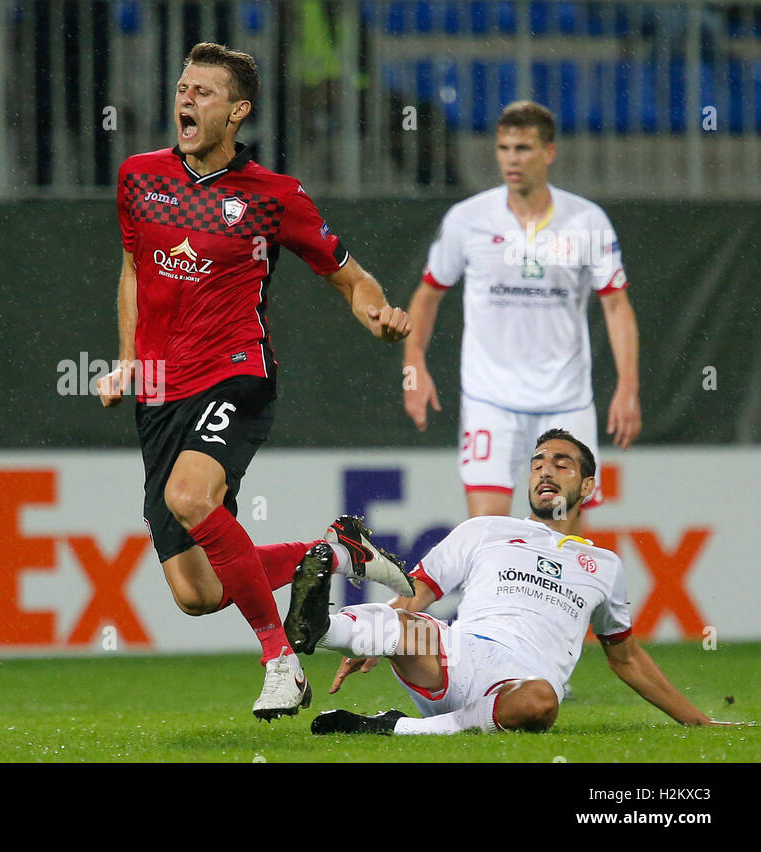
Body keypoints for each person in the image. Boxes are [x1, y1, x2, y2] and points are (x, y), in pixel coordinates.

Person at [99, 43, 414, 720]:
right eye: (183, 87)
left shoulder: (274, 198)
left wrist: (377, 316)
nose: (186, 100)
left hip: (235, 374)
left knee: (190, 495)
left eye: (204, 92)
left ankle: (281, 661)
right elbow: (133, 268)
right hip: (158, 392)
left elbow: (351, 278)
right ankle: (332, 553)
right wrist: (128, 359)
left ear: (238, 112)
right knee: (196, 592)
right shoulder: (138, 179)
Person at [283, 429, 733, 735]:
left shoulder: (604, 565)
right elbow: (415, 594)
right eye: (538, 463)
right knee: (406, 624)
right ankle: (323, 628)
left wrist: (699, 723)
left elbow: (627, 658)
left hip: (519, 684)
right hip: (454, 655)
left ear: (588, 485)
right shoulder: (486, 528)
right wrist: (370, 642)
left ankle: (392, 727)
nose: (546, 471)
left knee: (541, 702)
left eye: (562, 463)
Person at [402, 101, 641, 518]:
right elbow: (427, 295)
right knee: (486, 532)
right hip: (490, 398)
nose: (512, 159)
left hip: (565, 400)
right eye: (504, 148)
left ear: (549, 152)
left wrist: (628, 387)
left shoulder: (587, 221)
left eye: (524, 148)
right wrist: (414, 366)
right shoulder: (468, 219)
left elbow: (616, 307)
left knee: (562, 536)